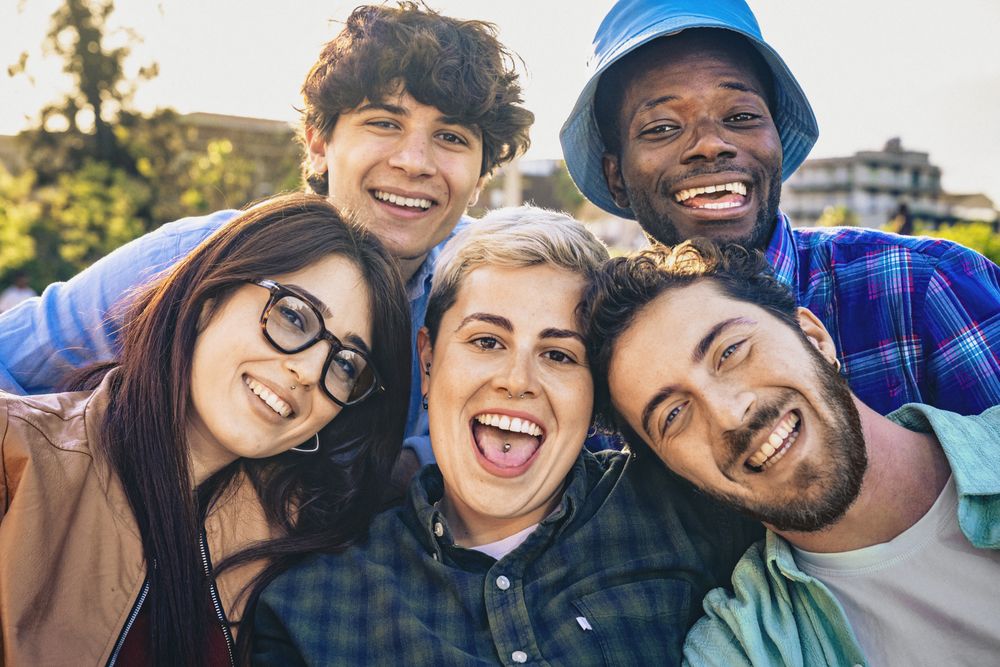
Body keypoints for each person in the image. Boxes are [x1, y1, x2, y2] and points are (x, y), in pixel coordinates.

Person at [0, 2, 533, 473]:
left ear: (482, 173)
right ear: (320, 142)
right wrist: (80, 474)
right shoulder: (203, 256)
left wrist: (411, 469)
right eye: (384, 123)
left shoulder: (494, 294)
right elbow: (12, 357)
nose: (414, 162)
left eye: (450, 137)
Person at [251, 208, 761, 665]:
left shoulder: (691, 515)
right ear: (428, 363)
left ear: (597, 390)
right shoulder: (315, 600)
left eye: (559, 355)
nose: (517, 381)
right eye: (487, 341)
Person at [0, 194, 411, 665]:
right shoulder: (15, 454)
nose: (310, 371)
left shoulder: (310, 546)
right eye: (294, 316)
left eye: (346, 364)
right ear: (207, 300)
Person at [560, 0, 1000, 416]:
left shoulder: (926, 288)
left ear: (776, 140)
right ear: (617, 176)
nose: (711, 144)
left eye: (740, 116)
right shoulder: (599, 359)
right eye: (662, 127)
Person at [584, 239, 1000, 666]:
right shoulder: (741, 650)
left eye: (729, 352)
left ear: (815, 338)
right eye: (673, 415)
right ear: (678, 474)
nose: (728, 415)